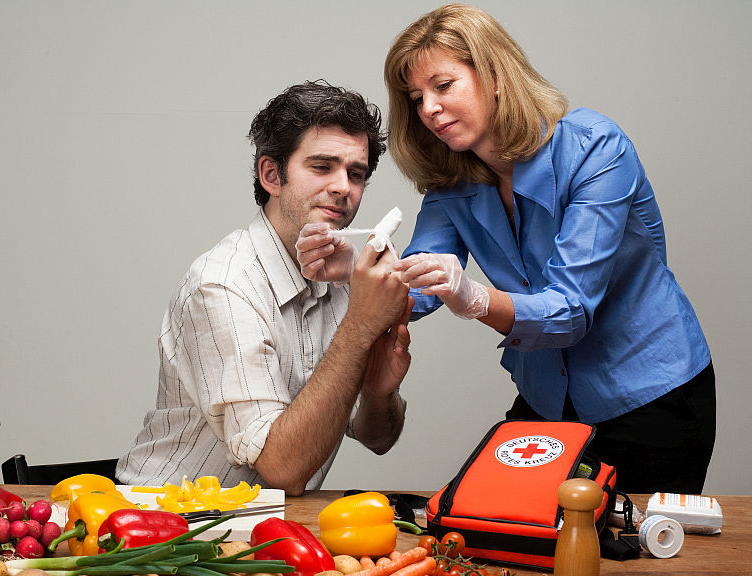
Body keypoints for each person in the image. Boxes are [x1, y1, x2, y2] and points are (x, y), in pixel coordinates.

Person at [297, 5, 714, 493]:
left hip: (650, 394)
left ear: (494, 75)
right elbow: (423, 288)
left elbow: (571, 310)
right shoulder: (449, 186)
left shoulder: (596, 149)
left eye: (443, 86)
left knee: (631, 562)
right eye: (416, 98)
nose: (428, 108)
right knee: (475, 527)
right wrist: (361, 266)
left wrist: (474, 298)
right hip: (547, 393)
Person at [116, 81, 413, 496]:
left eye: (356, 173)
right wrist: (361, 327)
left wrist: (380, 394)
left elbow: (379, 440)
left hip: (270, 527)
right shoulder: (222, 285)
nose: (344, 187)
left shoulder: (344, 282)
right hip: (168, 529)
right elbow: (284, 468)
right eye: (322, 167)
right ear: (272, 175)